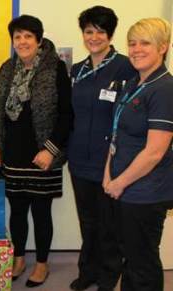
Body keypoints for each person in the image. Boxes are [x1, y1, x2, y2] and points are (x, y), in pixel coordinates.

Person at [0, 15, 72, 287]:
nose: (22, 42)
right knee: (18, 211)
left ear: (39, 40)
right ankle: (19, 258)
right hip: (12, 153)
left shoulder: (55, 67)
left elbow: (67, 115)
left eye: (28, 37)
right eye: (17, 37)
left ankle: (42, 264)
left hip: (42, 155)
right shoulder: (6, 68)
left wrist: (50, 149)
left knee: (41, 212)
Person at [67, 6, 136, 291]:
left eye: (100, 31)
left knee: (109, 224)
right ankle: (88, 271)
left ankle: (109, 276)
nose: (94, 37)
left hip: (110, 161)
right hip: (79, 159)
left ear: (110, 35)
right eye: (89, 31)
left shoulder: (126, 66)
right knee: (88, 221)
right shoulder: (76, 70)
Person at [103, 18, 173, 291]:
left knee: (142, 262)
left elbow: (154, 152)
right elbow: (117, 132)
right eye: (132, 43)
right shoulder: (133, 82)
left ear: (163, 47)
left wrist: (119, 183)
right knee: (130, 257)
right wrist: (108, 173)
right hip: (123, 187)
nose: (136, 49)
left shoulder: (165, 89)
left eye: (145, 43)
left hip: (146, 192)